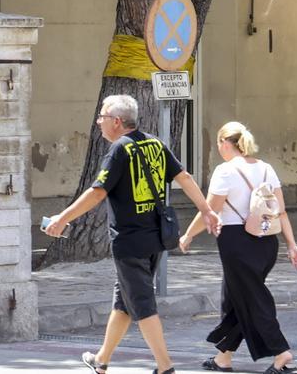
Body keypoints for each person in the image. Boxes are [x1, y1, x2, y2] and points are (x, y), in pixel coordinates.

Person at [43, 94, 222, 374]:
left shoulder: (119, 149)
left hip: (130, 242)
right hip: (155, 239)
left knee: (142, 304)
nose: (99, 122)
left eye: (102, 117)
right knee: (124, 301)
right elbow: (184, 177)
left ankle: (165, 366)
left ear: (116, 121)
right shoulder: (155, 144)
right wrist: (206, 210)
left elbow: (97, 193)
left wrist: (61, 219)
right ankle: (101, 359)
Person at [180, 121, 297, 374]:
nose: (219, 148)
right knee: (234, 297)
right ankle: (223, 358)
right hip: (267, 241)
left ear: (225, 143)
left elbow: (210, 211)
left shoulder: (225, 171)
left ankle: (281, 352)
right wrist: (292, 245)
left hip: (237, 242)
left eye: (219, 143)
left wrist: (188, 235)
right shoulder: (267, 169)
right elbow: (281, 211)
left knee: (253, 299)